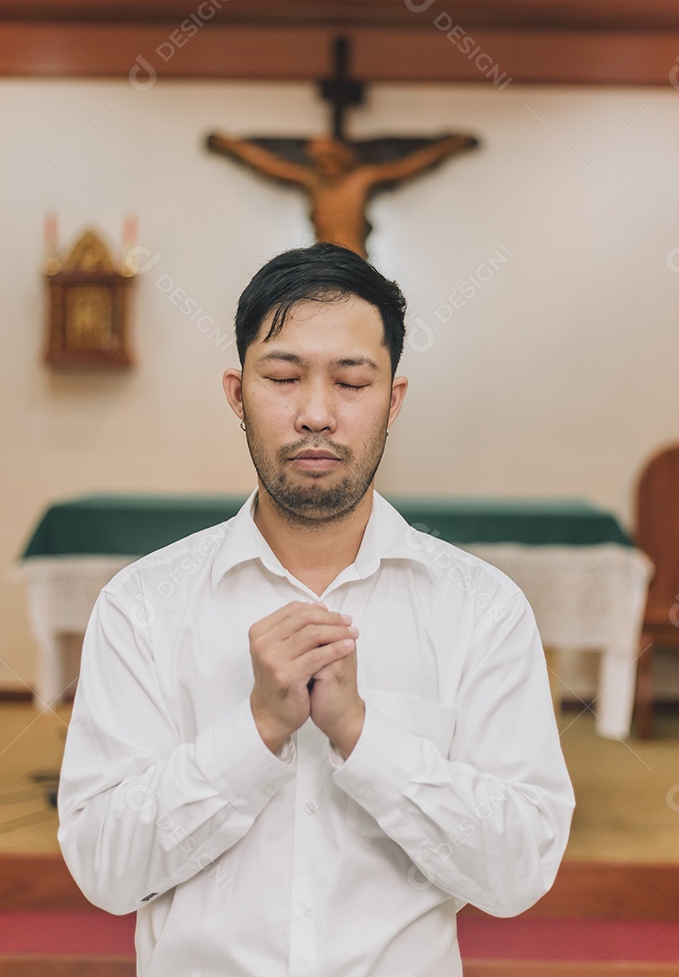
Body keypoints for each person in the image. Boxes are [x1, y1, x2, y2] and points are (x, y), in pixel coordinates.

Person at [58, 242, 574, 977]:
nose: (316, 414)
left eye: (352, 381)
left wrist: (362, 737)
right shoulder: (142, 608)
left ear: (393, 399)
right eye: (284, 377)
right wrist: (257, 730)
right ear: (238, 394)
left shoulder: (482, 611)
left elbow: (519, 873)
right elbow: (105, 874)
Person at [207, 133, 478, 258]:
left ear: (346, 159)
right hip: (322, 256)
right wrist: (231, 146)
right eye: (320, 161)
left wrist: (447, 146)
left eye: (332, 159)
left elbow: (408, 166)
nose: (327, 166)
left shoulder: (363, 179)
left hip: (357, 256)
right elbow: (269, 166)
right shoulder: (312, 181)